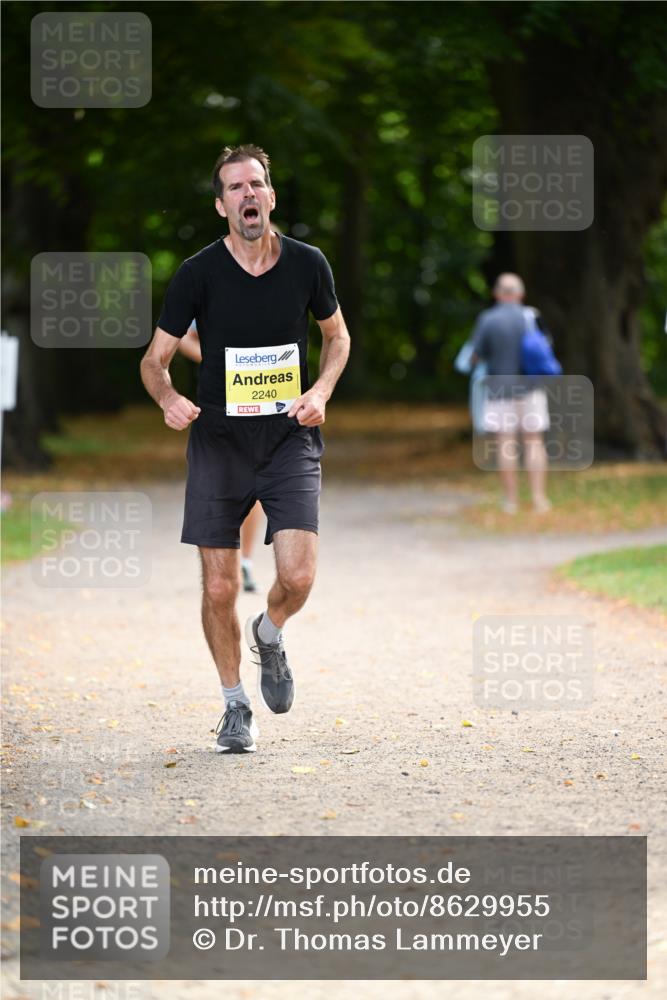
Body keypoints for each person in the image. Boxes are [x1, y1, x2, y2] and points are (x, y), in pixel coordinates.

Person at [140, 144, 350, 753]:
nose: (248, 195)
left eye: (256, 184)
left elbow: (336, 338)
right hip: (219, 441)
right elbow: (154, 360)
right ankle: (235, 705)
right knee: (217, 587)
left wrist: (322, 389)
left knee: (299, 574)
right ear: (221, 204)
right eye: (235, 188)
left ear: (271, 196)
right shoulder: (196, 273)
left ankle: (271, 630)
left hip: (289, 434)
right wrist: (168, 400)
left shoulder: (308, 264)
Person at [178, 322, 262, 592]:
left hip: (264, 395)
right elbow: (183, 338)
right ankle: (223, 561)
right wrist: (217, 359)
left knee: (257, 482)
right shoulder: (214, 282)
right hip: (220, 399)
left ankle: (244, 562)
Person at [471, 273, 551, 514]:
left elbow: (476, 355)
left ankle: (511, 501)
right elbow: (546, 348)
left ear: (497, 294)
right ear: (520, 294)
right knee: (534, 442)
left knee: (506, 444)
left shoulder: (488, 319)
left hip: (499, 390)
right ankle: (539, 499)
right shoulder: (532, 316)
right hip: (531, 389)